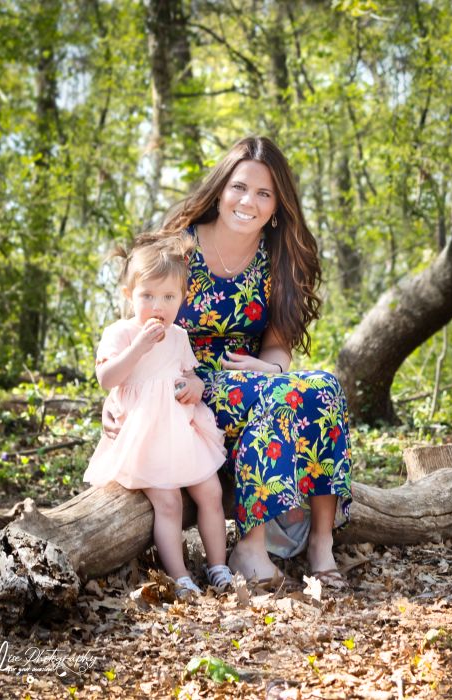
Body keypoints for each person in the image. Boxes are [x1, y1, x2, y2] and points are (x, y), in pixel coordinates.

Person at [158, 135, 353, 589]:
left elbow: (278, 344)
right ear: (221, 190)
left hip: (251, 379)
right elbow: (142, 325)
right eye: (240, 187)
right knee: (279, 395)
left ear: (277, 205)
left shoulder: (279, 257)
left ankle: (321, 543)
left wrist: (272, 371)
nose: (249, 201)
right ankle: (250, 544)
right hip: (187, 384)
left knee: (324, 386)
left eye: (264, 193)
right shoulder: (178, 249)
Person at [84, 234, 233, 595]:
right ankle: (180, 576)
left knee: (211, 492)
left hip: (181, 431)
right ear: (128, 296)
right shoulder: (121, 333)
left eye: (168, 297)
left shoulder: (179, 337)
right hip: (143, 435)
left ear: (182, 299)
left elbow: (188, 374)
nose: (157, 305)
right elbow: (106, 378)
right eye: (147, 296)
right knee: (167, 502)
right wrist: (137, 347)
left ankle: (218, 567)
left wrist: (195, 385)